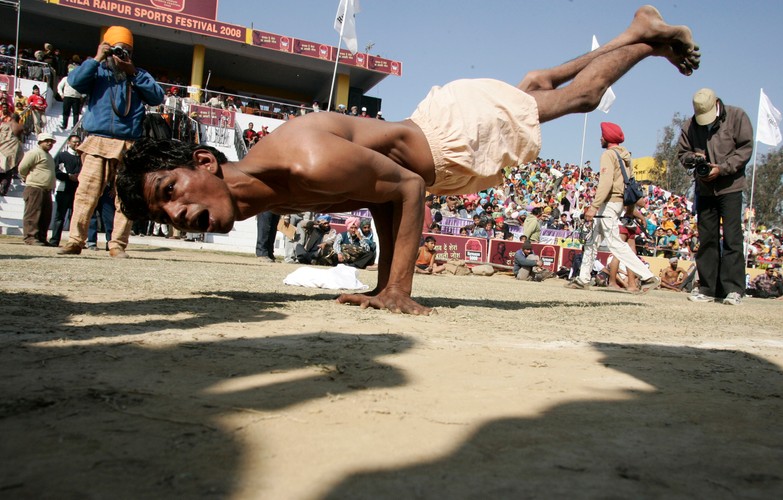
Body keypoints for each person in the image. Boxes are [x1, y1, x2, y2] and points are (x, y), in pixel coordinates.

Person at [117, 6, 700, 314]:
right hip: (441, 133)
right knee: (534, 86)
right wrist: (379, 284)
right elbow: (377, 193)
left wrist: (396, 288)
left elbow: (403, 189)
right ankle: (635, 30)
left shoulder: (299, 163)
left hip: (451, 139)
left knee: (581, 99)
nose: (176, 213)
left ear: (204, 161)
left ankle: (644, 39)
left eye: (170, 190)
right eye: (161, 215)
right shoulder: (265, 190)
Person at [58, 25, 165, 258]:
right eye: (117, 48)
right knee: (86, 193)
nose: (121, 53)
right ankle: (75, 241)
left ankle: (117, 245)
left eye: (126, 49)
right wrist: (97, 58)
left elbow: (157, 97)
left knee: (126, 198)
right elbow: (74, 83)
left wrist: (133, 73)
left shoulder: (139, 74)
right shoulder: (97, 70)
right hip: (98, 140)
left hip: (129, 144)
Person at [678, 88, 753, 305]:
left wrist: (722, 168)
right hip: (704, 189)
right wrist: (694, 158)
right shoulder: (690, 125)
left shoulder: (737, 116)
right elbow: (682, 153)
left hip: (731, 187)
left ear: (717, 104)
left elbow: (745, 149)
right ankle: (707, 288)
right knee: (707, 239)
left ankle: (734, 289)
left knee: (732, 238)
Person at [567, 122, 660, 292]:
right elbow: (630, 183)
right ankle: (583, 278)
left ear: (608, 138)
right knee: (592, 240)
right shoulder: (626, 157)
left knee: (615, 243)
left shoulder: (608, 155)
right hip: (616, 202)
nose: (600, 138)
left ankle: (647, 276)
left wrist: (594, 206)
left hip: (608, 203)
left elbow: (606, 183)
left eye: (602, 135)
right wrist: (630, 209)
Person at [19, 133, 56, 246]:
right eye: (46, 141)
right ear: (40, 142)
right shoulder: (34, 153)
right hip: (35, 187)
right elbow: (22, 168)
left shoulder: (48, 155)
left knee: (45, 215)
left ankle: (41, 237)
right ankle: (30, 237)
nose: (49, 143)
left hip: (46, 189)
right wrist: (27, 178)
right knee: (33, 214)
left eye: (51, 141)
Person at [48, 135, 82, 247]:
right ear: (68, 143)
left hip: (77, 191)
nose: (76, 144)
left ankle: (74, 242)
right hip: (63, 190)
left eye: (78, 142)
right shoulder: (62, 156)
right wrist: (68, 176)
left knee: (75, 217)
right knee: (59, 217)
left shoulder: (82, 157)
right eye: (74, 142)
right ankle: (54, 240)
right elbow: (55, 170)